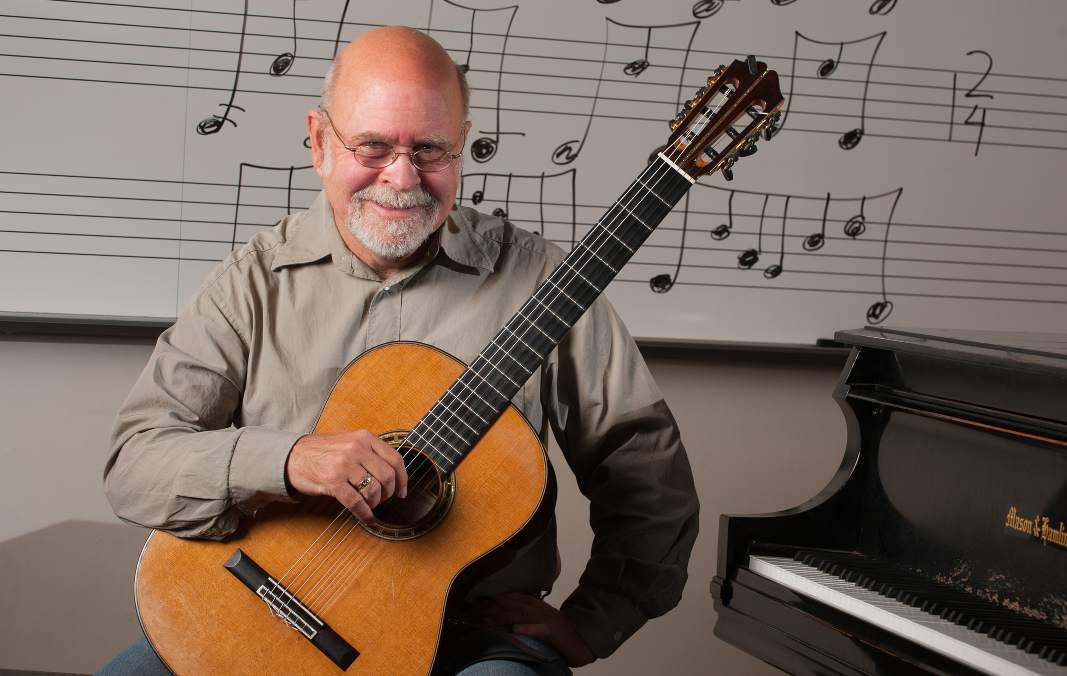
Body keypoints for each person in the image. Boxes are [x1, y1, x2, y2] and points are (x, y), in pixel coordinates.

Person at [99, 26, 699, 675]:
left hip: (477, 636)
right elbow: (136, 464)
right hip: (257, 603)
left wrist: (593, 621)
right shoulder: (252, 282)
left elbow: (648, 477)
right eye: (374, 146)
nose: (403, 177)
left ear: (461, 144)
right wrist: (290, 458)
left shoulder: (544, 284)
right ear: (321, 139)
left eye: (430, 150)